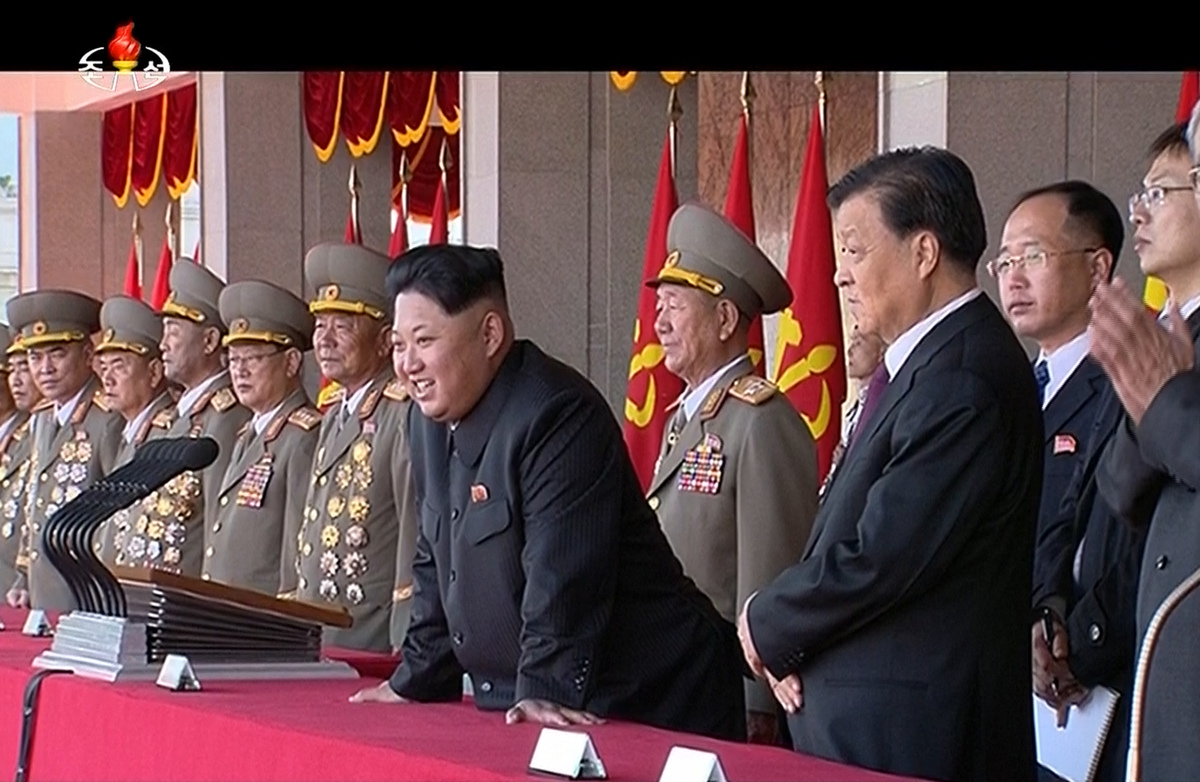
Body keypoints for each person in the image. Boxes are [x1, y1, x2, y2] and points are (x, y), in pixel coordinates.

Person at [350, 243, 746, 742]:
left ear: (490, 334)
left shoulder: (557, 414)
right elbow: (435, 557)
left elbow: (563, 572)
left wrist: (544, 687)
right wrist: (416, 679)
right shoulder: (425, 421)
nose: (408, 365)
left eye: (424, 341)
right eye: (398, 345)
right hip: (542, 699)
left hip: (654, 699)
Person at [737, 146, 1042, 782]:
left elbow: (883, 556)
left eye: (853, 250)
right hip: (868, 729)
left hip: (916, 741)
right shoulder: (926, 366)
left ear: (923, 252)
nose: (838, 276)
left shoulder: (962, 378)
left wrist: (768, 623)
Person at [645, 203, 817, 744]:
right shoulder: (684, 418)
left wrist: (758, 700)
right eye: (659, 306)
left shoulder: (760, 420)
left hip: (726, 695)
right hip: (676, 682)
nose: (659, 323)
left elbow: (773, 569)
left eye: (675, 306)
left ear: (724, 319)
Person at [992, 180, 1133, 782]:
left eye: (1034, 256)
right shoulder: (1010, 388)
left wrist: (1062, 634)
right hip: (1003, 682)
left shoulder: (1126, 382)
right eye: (1004, 262)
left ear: (1098, 267)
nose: (1014, 278)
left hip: (1089, 686)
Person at [1092, 107, 1200, 780]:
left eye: (1161, 191)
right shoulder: (1161, 336)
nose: (1139, 211)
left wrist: (1168, 402)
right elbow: (1120, 490)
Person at [294, 243, 417, 654]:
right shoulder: (334, 412)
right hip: (323, 633)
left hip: (370, 639)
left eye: (343, 326)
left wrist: (404, 641)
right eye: (320, 325)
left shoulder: (401, 413)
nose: (325, 341)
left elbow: (412, 536)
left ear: (384, 341)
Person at [119, 261, 252, 575]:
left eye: (173, 332)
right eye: (164, 331)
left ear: (209, 341)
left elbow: (215, 525)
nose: (162, 344)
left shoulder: (225, 416)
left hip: (186, 590)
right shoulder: (178, 415)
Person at [5, 290, 125, 611]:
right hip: (42, 593)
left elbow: (116, 515)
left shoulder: (108, 418)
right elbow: (34, 502)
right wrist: (23, 577)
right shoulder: (42, 417)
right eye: (35, 357)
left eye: (56, 354)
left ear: (87, 354)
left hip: (86, 594)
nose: (45, 369)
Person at [206, 280, 320, 595]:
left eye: (253, 358)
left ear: (291, 362)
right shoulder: (249, 433)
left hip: (264, 610)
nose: (239, 371)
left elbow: (296, 548)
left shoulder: (301, 437)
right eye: (233, 359)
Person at [91, 295, 176, 567]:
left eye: (119, 366)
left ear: (154, 372)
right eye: (104, 367)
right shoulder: (124, 433)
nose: (107, 379)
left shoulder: (169, 434)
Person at [3, 330, 45, 607]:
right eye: (12, 370)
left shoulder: (36, 432)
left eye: (24, 368)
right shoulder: (27, 432)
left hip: (24, 590)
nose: (16, 380)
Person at [821, 324, 885, 498]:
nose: (849, 351)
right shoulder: (857, 408)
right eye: (852, 342)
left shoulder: (882, 404)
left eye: (859, 343)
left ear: (881, 352)